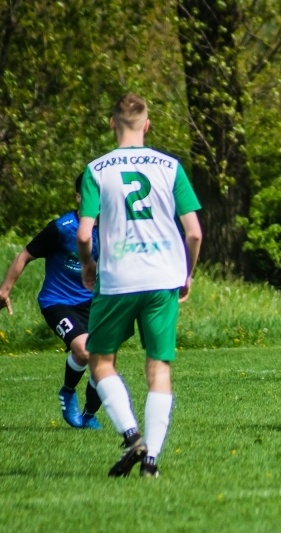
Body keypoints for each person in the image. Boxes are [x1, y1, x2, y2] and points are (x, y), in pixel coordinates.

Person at [77, 93, 202, 477]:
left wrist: (88, 266)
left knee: (100, 361)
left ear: (112, 123)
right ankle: (152, 460)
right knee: (158, 365)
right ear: (147, 125)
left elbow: (84, 234)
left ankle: (132, 435)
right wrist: (186, 274)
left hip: (117, 279)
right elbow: (194, 233)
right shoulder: (170, 166)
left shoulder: (97, 169)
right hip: (162, 277)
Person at [0, 174, 102, 429]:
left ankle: (89, 415)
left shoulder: (113, 229)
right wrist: (4, 290)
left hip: (95, 303)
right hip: (57, 302)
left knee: (103, 360)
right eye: (90, 194)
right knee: (85, 350)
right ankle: (68, 391)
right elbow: (24, 255)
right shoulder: (62, 227)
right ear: (79, 197)